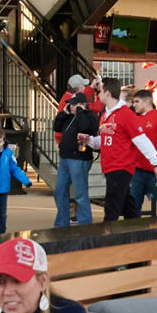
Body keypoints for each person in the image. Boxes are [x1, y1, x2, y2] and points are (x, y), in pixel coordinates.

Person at [51, 90, 99, 226]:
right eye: (70, 104)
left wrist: (80, 111)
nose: (71, 106)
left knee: (80, 193)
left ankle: (84, 223)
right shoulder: (68, 116)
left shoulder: (89, 116)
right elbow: (57, 127)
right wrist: (63, 113)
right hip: (65, 158)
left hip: (79, 159)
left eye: (73, 104)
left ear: (83, 104)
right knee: (60, 191)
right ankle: (62, 222)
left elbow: (86, 127)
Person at [98, 78, 142, 223]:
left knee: (112, 205)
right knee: (127, 203)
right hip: (110, 165)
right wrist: (90, 140)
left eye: (100, 91)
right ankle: (138, 229)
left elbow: (141, 140)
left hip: (121, 166)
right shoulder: (105, 115)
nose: (98, 94)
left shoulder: (125, 114)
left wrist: (156, 163)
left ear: (107, 93)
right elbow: (105, 139)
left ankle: (107, 236)